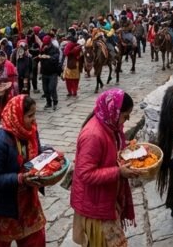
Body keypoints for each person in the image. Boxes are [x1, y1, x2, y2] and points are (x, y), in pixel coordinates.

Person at [70, 89, 139, 247]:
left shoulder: (110, 126)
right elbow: (85, 173)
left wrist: (126, 148)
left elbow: (110, 150)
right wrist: (118, 172)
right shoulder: (93, 135)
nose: (127, 120)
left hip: (106, 198)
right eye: (125, 116)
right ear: (113, 111)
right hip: (95, 205)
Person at [0, 96, 47, 247]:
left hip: (28, 202)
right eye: (30, 115)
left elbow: (36, 152)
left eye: (34, 114)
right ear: (17, 116)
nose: (34, 119)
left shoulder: (30, 131)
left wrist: (50, 156)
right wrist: (20, 178)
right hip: (4, 206)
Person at [38, 37, 62, 110]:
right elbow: (39, 56)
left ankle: (55, 102)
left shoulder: (55, 49)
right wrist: (41, 54)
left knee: (52, 88)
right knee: (45, 89)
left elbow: (56, 58)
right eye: (44, 44)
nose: (45, 45)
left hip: (53, 72)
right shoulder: (43, 48)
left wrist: (49, 57)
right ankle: (48, 102)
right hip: (44, 71)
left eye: (47, 44)